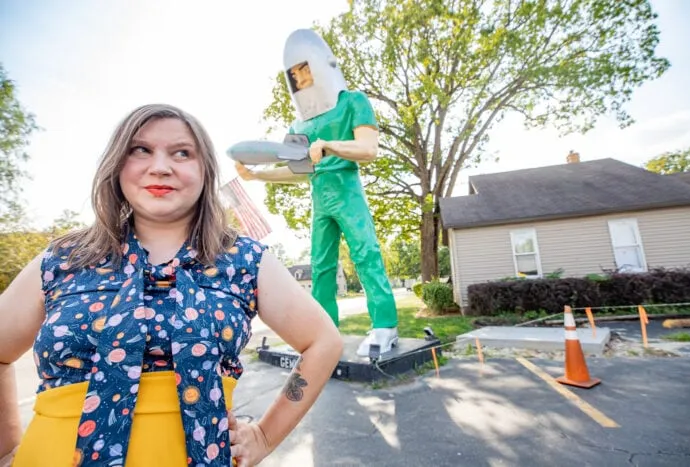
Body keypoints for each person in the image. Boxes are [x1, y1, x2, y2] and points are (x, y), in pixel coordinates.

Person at [0, 103, 343, 467]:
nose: (160, 166)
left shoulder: (245, 260)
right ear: (118, 164)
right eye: (140, 150)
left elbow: (324, 341)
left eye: (182, 152)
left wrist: (263, 436)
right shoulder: (64, 258)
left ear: (204, 171)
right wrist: (6, 450)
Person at [235, 28, 399, 358]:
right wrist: (256, 175)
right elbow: (296, 170)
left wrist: (329, 146)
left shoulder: (353, 102)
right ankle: (325, 332)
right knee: (321, 266)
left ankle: (385, 325)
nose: (302, 78)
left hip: (348, 192)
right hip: (320, 199)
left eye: (306, 69)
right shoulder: (299, 127)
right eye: (295, 74)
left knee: (366, 254)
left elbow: (369, 149)